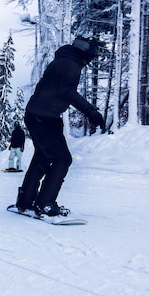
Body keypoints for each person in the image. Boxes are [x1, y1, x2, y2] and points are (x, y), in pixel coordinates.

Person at [15, 36, 105, 217]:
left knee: (43, 156)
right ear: (86, 55)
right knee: (62, 159)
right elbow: (67, 92)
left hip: (37, 114)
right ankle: (45, 204)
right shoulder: (71, 65)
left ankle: (26, 200)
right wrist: (92, 113)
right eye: (90, 59)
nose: (88, 63)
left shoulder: (62, 60)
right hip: (45, 117)